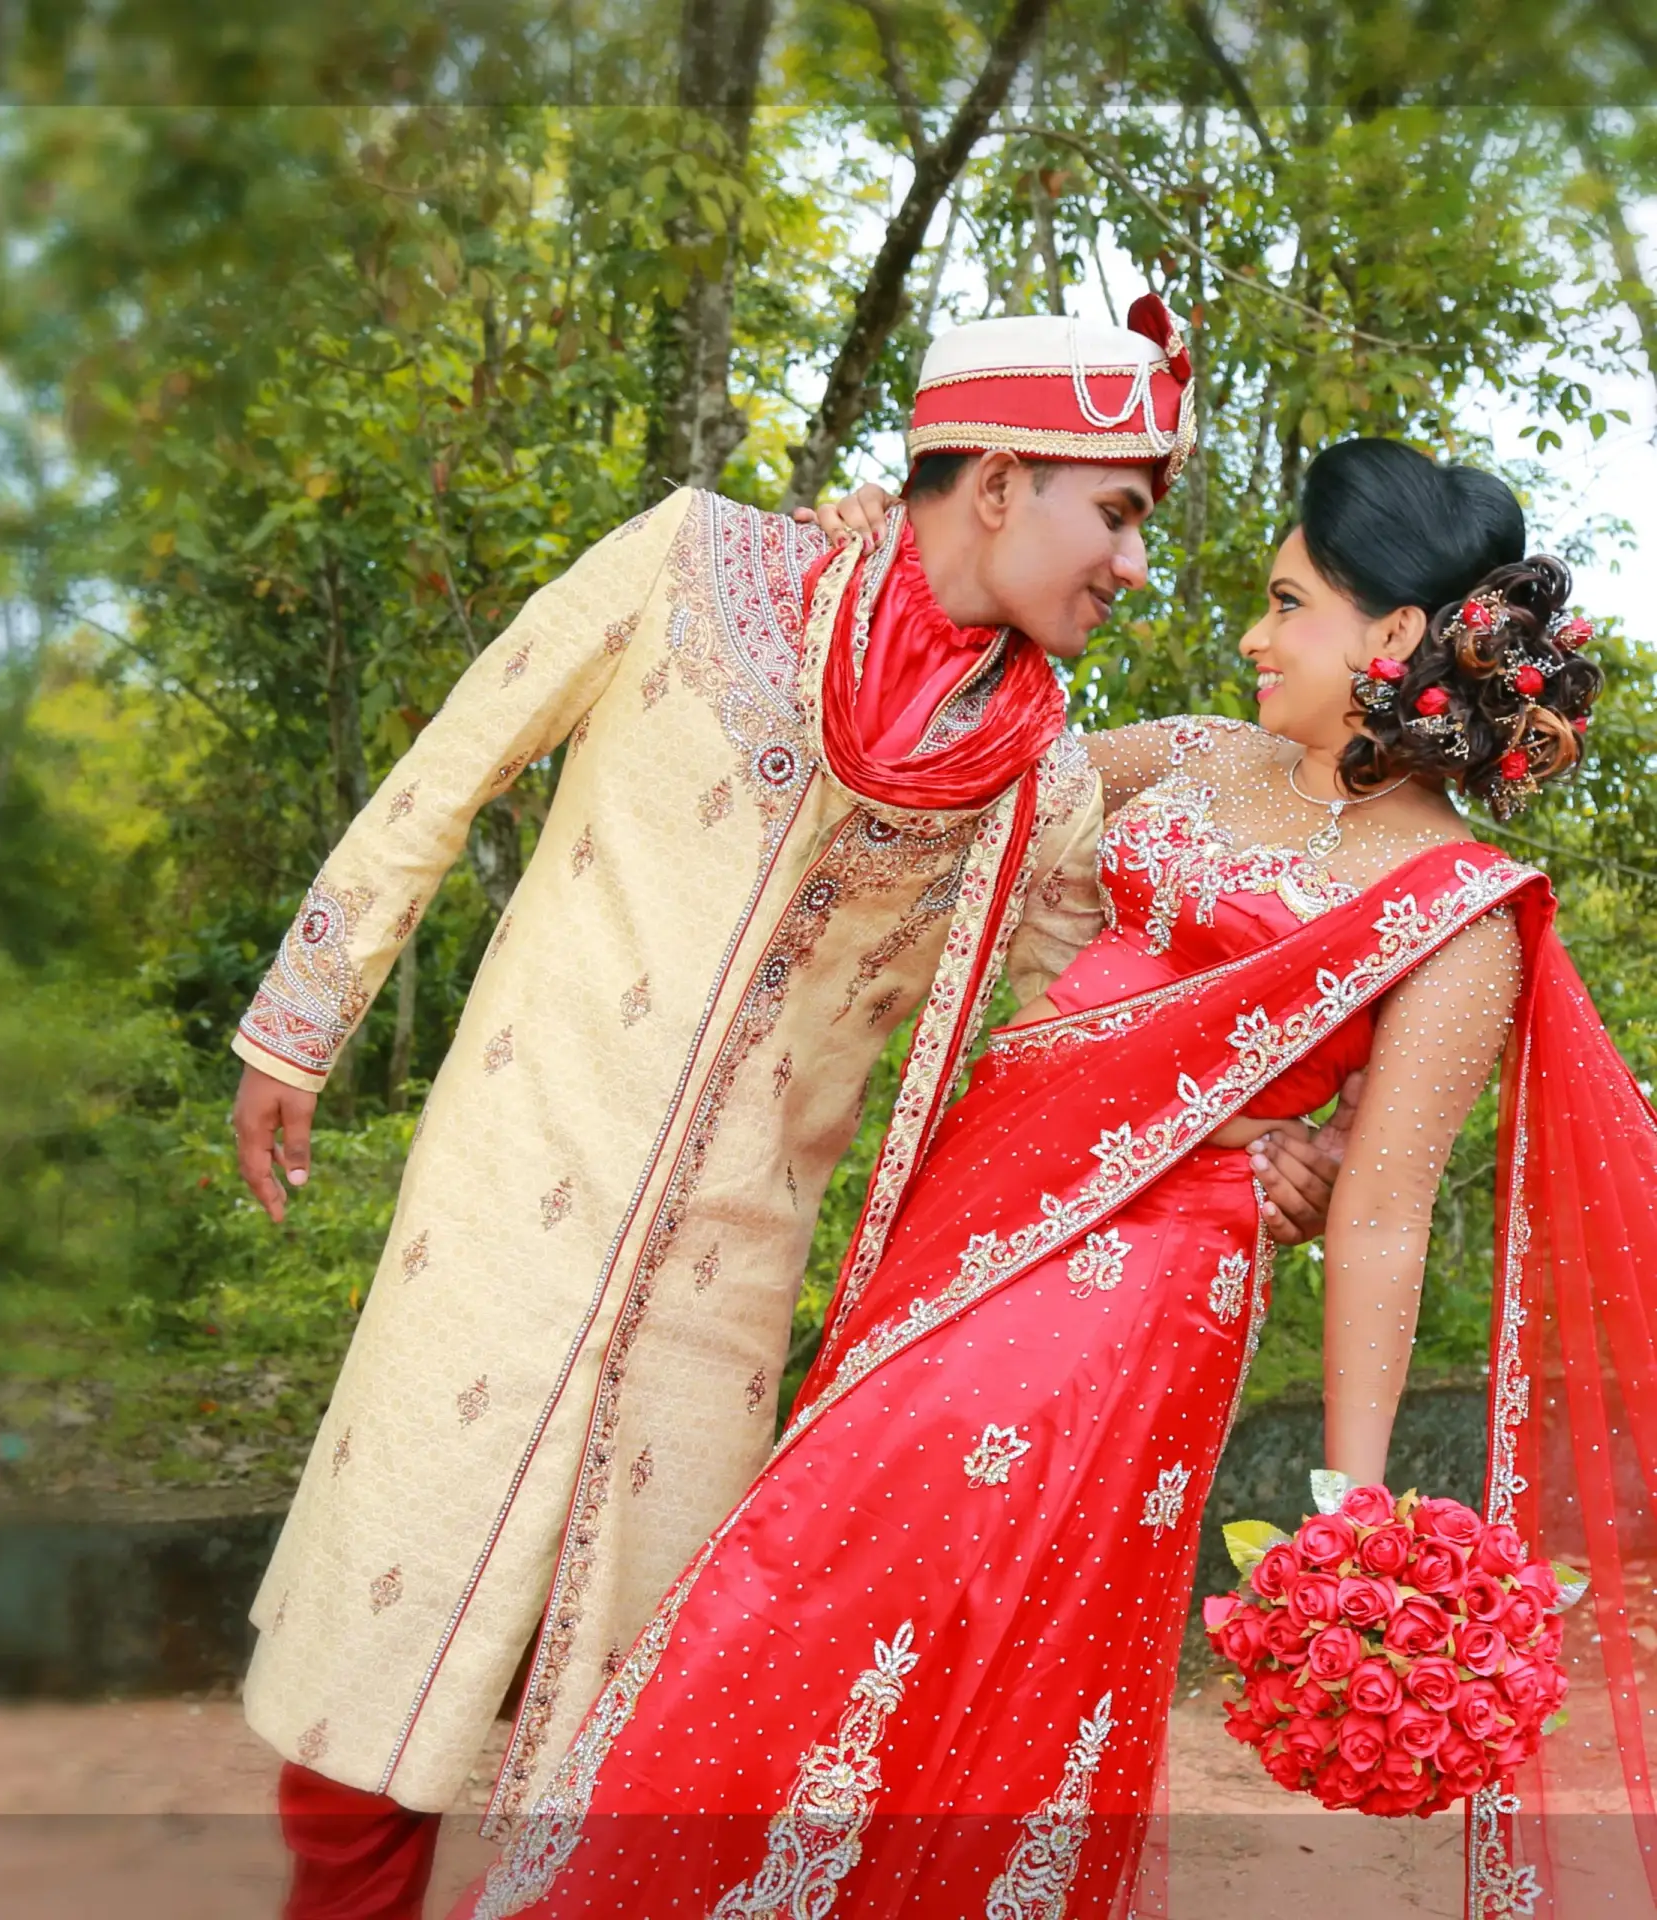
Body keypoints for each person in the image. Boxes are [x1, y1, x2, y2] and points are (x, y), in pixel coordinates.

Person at [228, 297, 1341, 1919]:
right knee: (378, 1639)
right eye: (1117, 511)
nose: (1133, 563)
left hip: (725, 1285)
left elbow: (1074, 1024)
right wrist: (301, 1018)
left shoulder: (1039, 778)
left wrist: (1254, 1135)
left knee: (646, 1723)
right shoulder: (699, 568)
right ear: (998, 479)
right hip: (513, 1181)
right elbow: (462, 755)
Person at [452, 438, 1657, 1920]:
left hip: (1142, 1295)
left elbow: (1385, 1215)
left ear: (1392, 638)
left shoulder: (1459, 917)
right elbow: (953, 765)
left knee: (933, 1608)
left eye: (1288, 604)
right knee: (825, 1567)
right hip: (974, 1213)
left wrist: (1348, 1509)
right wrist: (879, 573)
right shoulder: (1203, 756)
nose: (1253, 635)